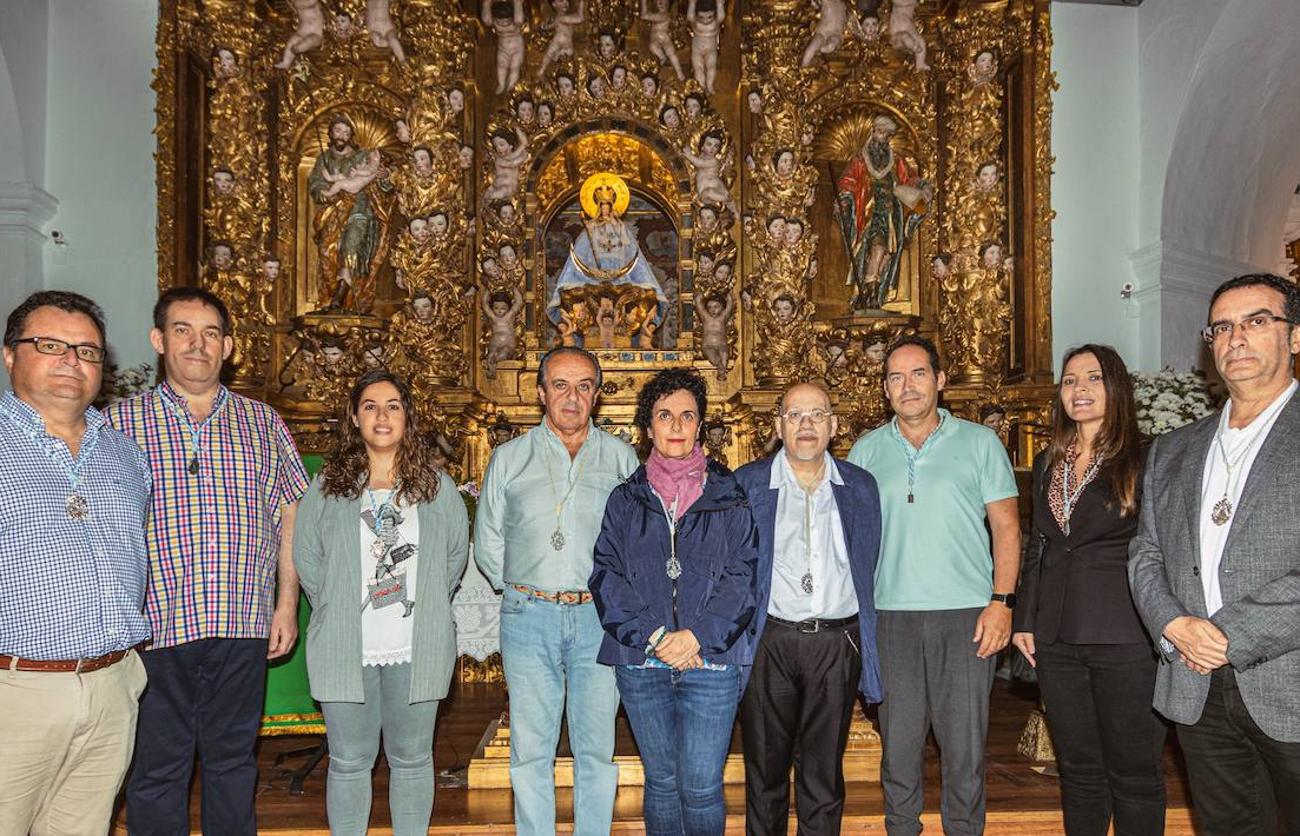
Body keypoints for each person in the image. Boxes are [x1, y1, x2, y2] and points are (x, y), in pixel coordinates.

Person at [106, 287, 310, 836]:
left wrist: (285, 604)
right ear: (158, 340)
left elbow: (289, 515)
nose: (198, 344)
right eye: (183, 331)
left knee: (232, 764)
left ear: (229, 347)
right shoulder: (117, 424)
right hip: (153, 626)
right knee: (156, 768)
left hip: (241, 622)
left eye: (211, 333)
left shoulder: (262, 422)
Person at [1129, 272, 1300, 836]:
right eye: (1222, 327)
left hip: (1287, 678)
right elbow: (1146, 552)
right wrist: (1173, 622)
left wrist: (1229, 636)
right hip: (1195, 682)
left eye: (1257, 321)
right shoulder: (1176, 448)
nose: (1236, 338)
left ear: (1294, 337)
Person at [847, 335, 1020, 836]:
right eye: (896, 377)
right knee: (898, 747)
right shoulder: (866, 450)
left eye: (918, 373)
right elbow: (855, 540)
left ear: (940, 380)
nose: (908, 386)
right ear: (885, 389)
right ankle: (902, 828)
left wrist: (1002, 602)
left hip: (966, 616)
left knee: (963, 748)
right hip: (890, 616)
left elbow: (1008, 527)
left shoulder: (980, 443)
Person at [0, 291, 151, 834]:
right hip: (15, 694)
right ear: (10, 354)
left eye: (87, 351)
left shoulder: (125, 454)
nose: (71, 360)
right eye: (50, 345)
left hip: (112, 686)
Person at [294, 370, 468, 835]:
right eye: (370, 405)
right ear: (354, 417)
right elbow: (307, 558)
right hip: (346, 646)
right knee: (349, 760)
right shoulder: (328, 486)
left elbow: (452, 559)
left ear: (407, 417)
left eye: (393, 405)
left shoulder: (437, 488)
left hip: (416, 646)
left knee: (412, 758)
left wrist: (422, 602)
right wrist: (336, 605)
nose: (382, 415)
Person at [474, 347, 639, 835]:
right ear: (541, 392)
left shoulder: (621, 457)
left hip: (596, 619)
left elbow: (634, 542)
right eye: (561, 385)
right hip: (529, 614)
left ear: (597, 395)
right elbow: (489, 541)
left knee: (596, 747)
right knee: (532, 747)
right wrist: (524, 590)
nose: (572, 396)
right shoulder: (509, 458)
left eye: (584, 385)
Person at [590, 368, 758, 835]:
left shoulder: (730, 496)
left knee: (702, 785)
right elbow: (607, 574)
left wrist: (698, 637)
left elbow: (743, 576)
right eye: (665, 415)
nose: (677, 425)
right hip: (643, 659)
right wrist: (656, 635)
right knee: (662, 782)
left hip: (712, 660)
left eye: (688, 415)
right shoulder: (625, 499)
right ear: (649, 427)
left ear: (701, 425)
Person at [1010, 344, 1166, 835]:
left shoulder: (1148, 456)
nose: (1079, 389)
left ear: (1115, 387)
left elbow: (1161, 546)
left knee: (1135, 772)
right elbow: (1040, 544)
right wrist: (1026, 619)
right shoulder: (1048, 462)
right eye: (1070, 380)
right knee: (1078, 770)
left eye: (1093, 378)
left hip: (1126, 634)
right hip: (1056, 637)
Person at [735, 382, 883, 836]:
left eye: (817, 414)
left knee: (823, 776)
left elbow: (868, 562)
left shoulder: (858, 486)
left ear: (833, 426)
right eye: (795, 415)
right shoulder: (747, 483)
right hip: (769, 643)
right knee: (765, 774)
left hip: (836, 643)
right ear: (778, 424)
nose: (805, 425)